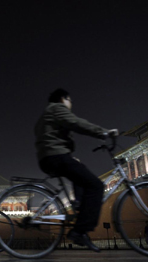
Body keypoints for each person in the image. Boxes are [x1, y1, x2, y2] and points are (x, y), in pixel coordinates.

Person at [34, 88, 118, 252]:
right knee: (96, 186)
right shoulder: (57, 108)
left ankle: (78, 203)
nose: (70, 104)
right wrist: (103, 132)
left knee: (79, 169)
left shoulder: (44, 115)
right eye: (70, 100)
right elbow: (77, 123)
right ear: (63, 99)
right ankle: (79, 231)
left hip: (48, 158)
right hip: (56, 156)